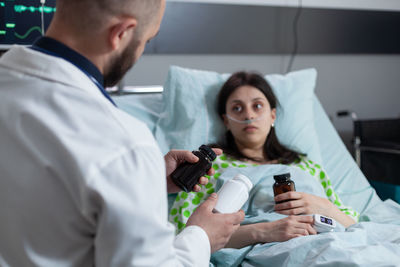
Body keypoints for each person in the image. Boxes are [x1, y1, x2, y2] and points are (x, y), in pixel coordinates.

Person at [0, 0, 244, 266]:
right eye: (146, 41)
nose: (140, 51)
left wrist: (142, 183)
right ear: (121, 33)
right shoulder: (124, 145)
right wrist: (201, 237)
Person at [169, 71, 359, 249]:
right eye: (237, 108)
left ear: (272, 115)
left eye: (257, 106)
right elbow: (188, 237)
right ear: (226, 121)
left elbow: (354, 227)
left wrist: (324, 207)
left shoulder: (306, 165)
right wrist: (263, 231)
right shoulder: (211, 166)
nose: (249, 115)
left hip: (333, 243)